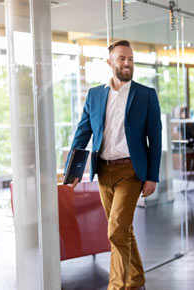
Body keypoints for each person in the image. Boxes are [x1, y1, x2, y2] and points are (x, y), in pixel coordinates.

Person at [66, 40, 162, 290]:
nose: (127, 62)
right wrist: (72, 169)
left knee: (116, 230)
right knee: (123, 230)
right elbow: (83, 132)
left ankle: (117, 286)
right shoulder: (95, 95)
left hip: (131, 172)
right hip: (104, 171)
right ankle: (137, 279)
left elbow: (156, 136)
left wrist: (152, 176)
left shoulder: (146, 95)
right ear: (110, 62)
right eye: (121, 58)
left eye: (130, 58)